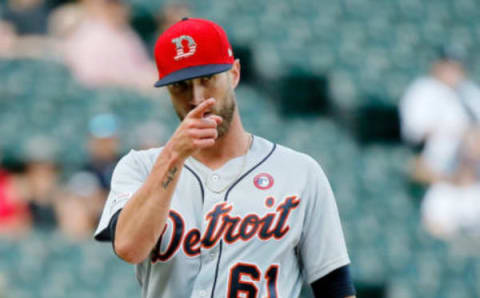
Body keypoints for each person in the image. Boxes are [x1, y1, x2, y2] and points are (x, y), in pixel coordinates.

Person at [94, 18, 356, 298]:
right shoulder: (140, 167)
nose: (196, 98)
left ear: (234, 74)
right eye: (181, 86)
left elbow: (335, 287)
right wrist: (173, 157)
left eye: (207, 80)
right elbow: (129, 248)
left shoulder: (300, 172)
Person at [399, 46, 480, 184]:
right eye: (448, 67)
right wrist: (458, 132)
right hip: (437, 160)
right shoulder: (423, 89)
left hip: (471, 165)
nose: (452, 72)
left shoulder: (469, 91)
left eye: (457, 67)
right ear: (437, 66)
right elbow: (414, 131)